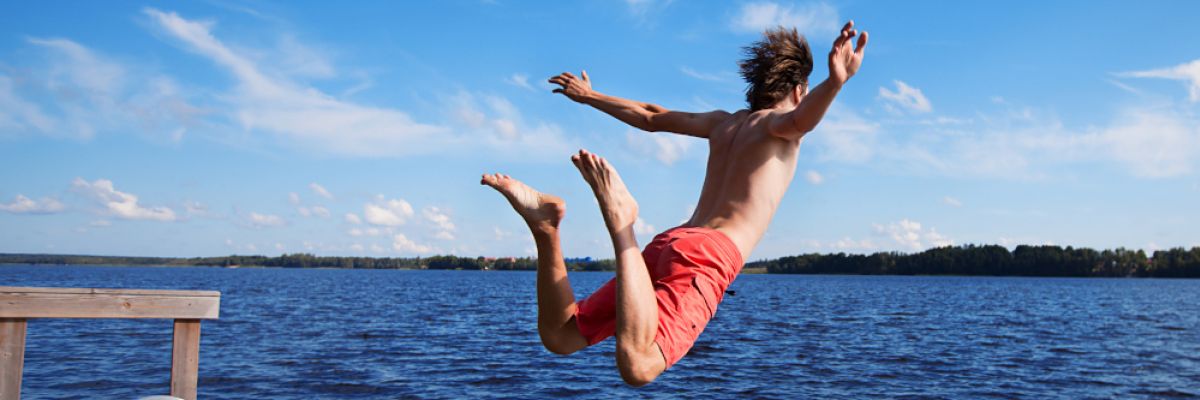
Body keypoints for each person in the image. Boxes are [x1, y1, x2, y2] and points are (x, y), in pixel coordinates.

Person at [481, 21, 868, 386]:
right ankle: (622, 223)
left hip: (671, 242)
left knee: (562, 334)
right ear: (799, 89)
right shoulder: (777, 127)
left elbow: (653, 116)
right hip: (710, 254)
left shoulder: (723, 123)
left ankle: (547, 228)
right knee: (639, 364)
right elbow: (804, 120)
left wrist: (591, 96)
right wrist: (835, 84)